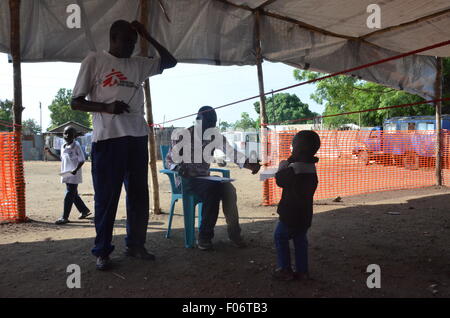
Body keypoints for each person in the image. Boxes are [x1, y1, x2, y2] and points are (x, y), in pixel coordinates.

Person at [70, 20, 177, 270]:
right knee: (107, 199)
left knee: (139, 197)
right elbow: (76, 102)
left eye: (133, 42)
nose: (131, 46)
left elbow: (171, 61)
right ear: (113, 38)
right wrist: (106, 107)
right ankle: (102, 251)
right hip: (108, 141)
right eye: (127, 41)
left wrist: (146, 35)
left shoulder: (138, 64)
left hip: (137, 139)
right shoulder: (94, 61)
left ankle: (136, 245)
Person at [166, 106, 261, 250]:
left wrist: (250, 164)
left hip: (205, 180)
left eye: (213, 123)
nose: (211, 126)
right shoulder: (183, 135)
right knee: (213, 190)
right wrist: (178, 167)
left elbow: (231, 153)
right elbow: (169, 161)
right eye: (208, 122)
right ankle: (204, 237)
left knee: (228, 189)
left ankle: (234, 234)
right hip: (187, 180)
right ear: (198, 120)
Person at [272, 130, 321, 281]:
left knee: (280, 237)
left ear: (298, 149)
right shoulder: (311, 169)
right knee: (300, 241)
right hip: (305, 215)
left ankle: (285, 269)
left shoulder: (294, 169)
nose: (291, 148)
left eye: (293, 145)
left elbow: (280, 180)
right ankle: (302, 271)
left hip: (289, 214)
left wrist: (282, 165)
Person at [45, 126, 91, 225]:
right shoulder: (63, 145)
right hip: (66, 173)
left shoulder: (76, 145)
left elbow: (82, 160)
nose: (66, 136)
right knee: (73, 194)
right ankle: (84, 210)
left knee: (69, 194)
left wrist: (75, 170)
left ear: (74, 136)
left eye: (69, 134)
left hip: (74, 174)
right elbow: (62, 158)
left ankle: (64, 217)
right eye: (64, 133)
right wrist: (50, 153)